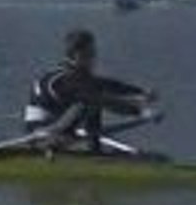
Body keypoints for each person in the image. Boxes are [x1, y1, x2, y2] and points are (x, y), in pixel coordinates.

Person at [24, 29, 158, 154]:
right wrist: (139, 112)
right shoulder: (66, 80)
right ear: (77, 55)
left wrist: (141, 93)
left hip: (55, 128)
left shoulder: (72, 75)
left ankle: (93, 147)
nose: (94, 58)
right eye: (90, 54)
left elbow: (108, 85)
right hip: (41, 134)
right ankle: (91, 149)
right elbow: (99, 99)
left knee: (93, 97)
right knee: (90, 102)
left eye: (93, 53)